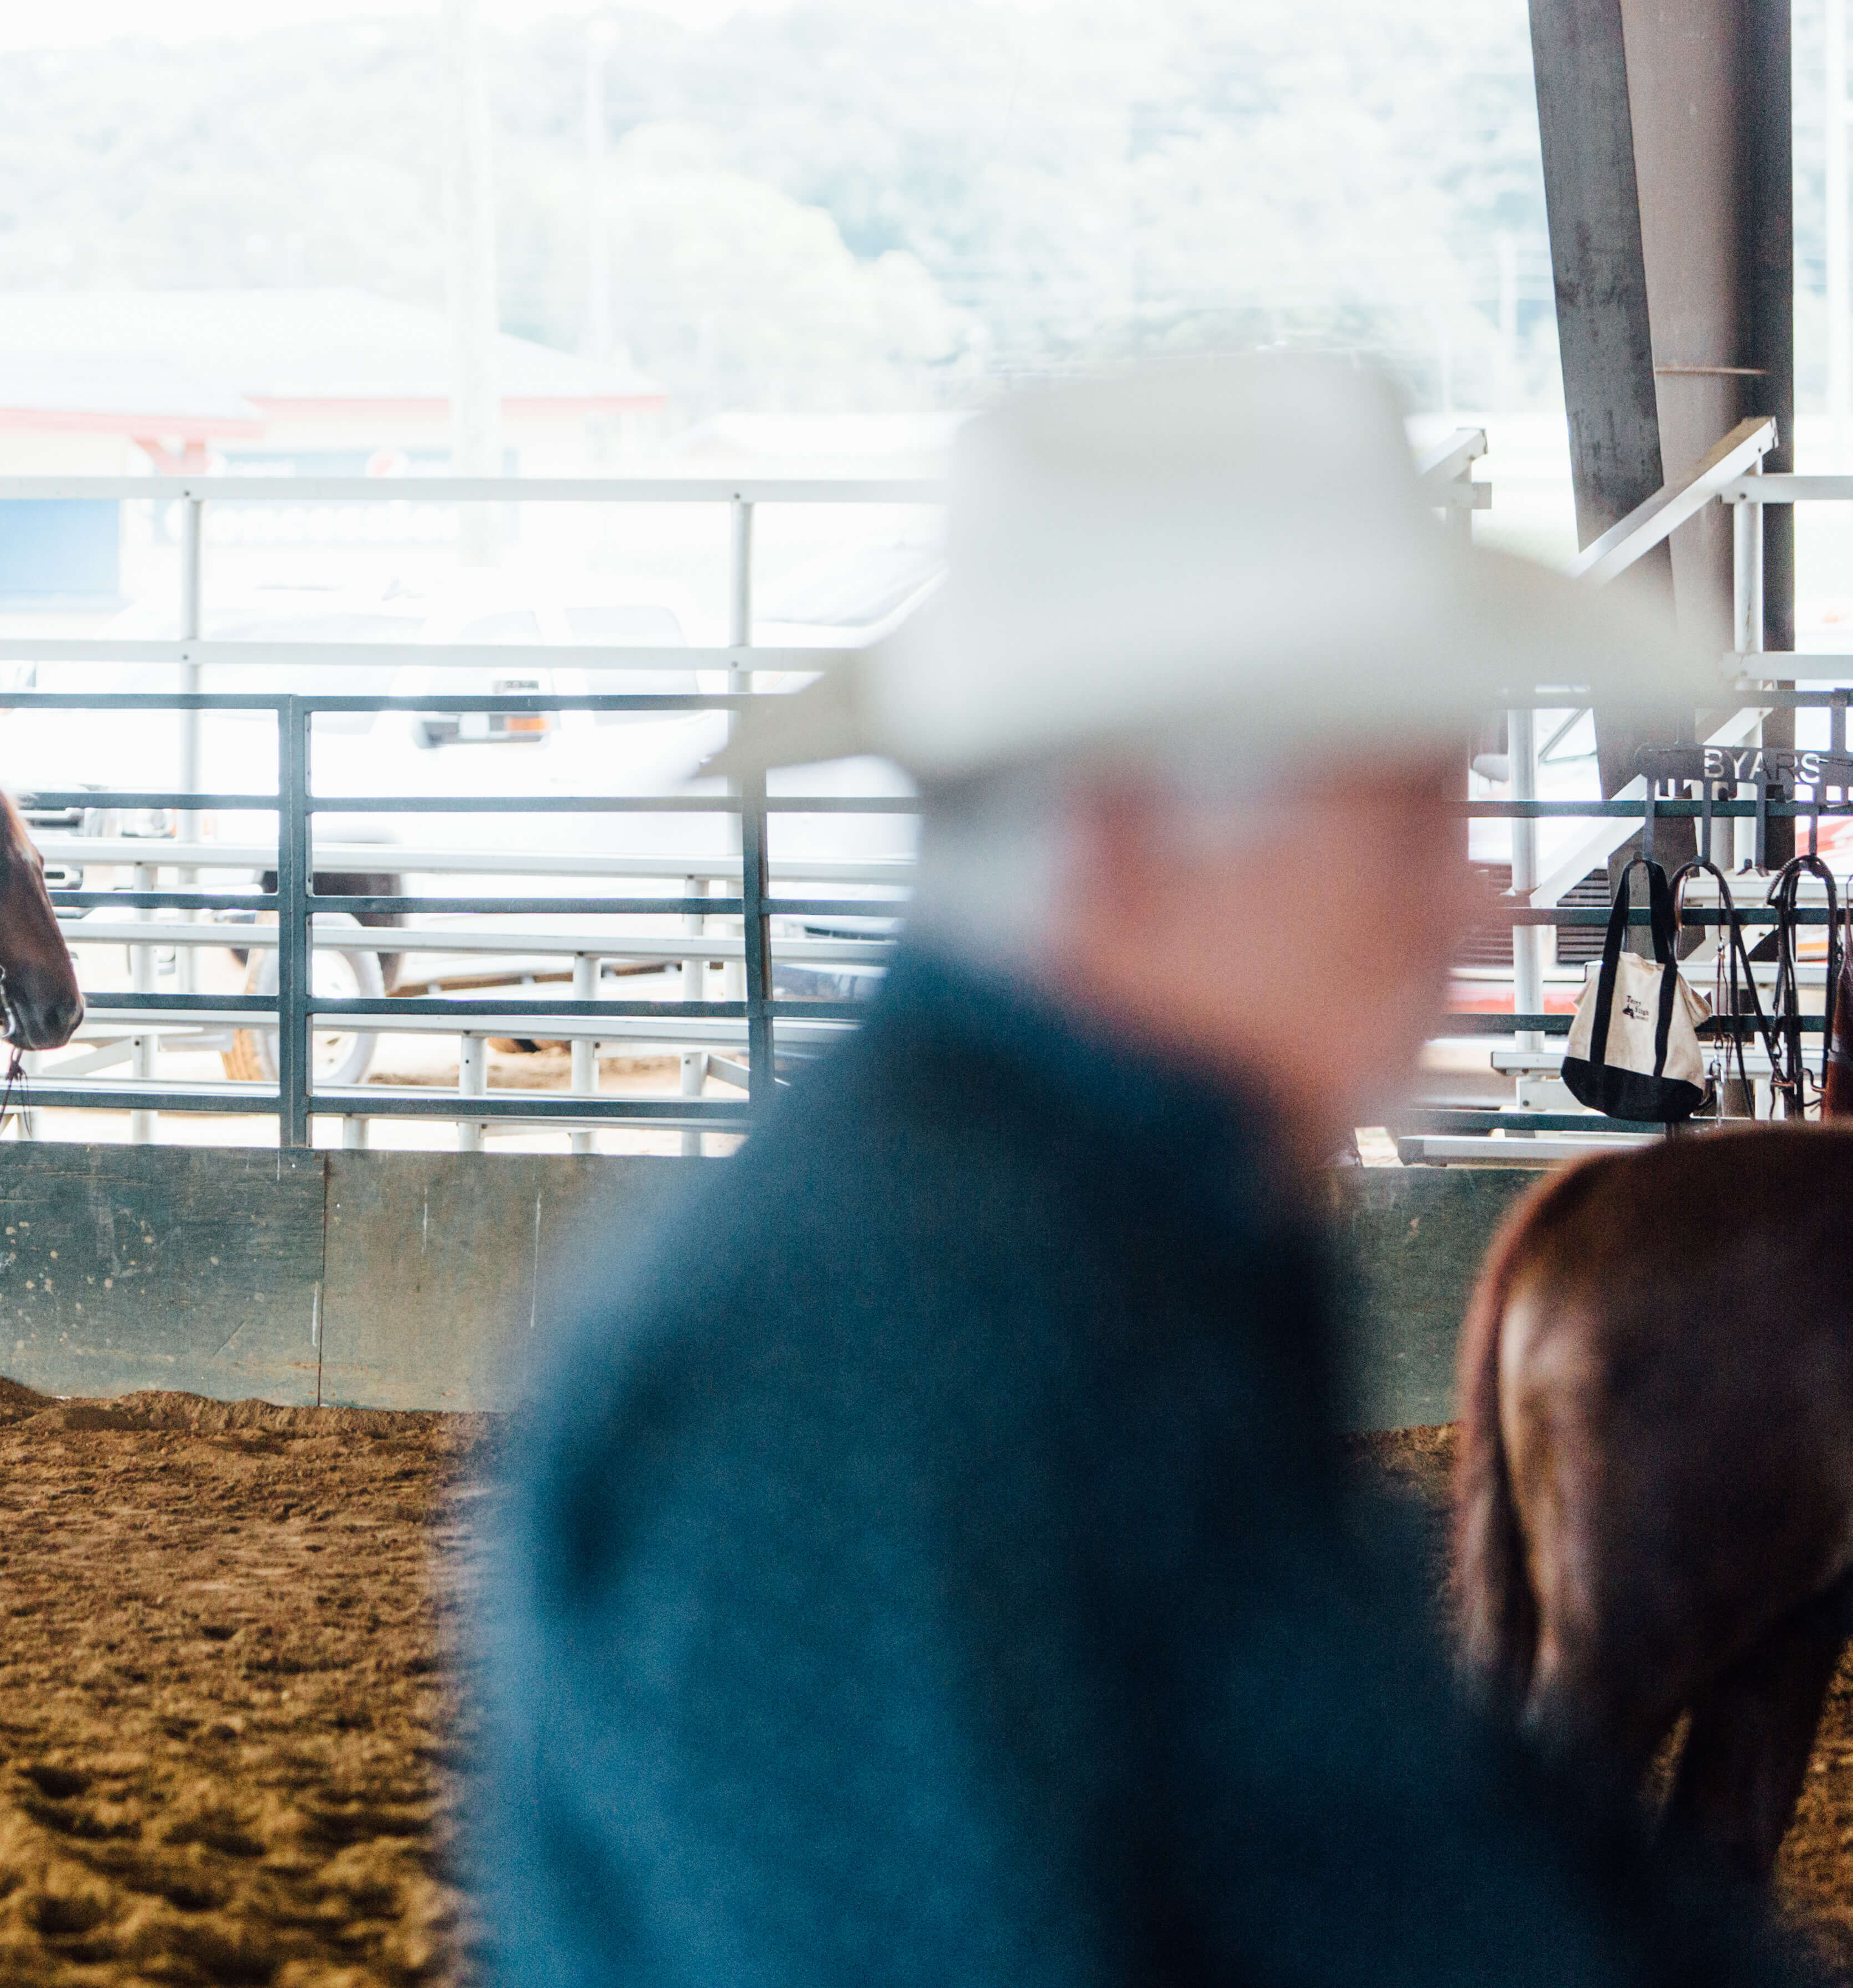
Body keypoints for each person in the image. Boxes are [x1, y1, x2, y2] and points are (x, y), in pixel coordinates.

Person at [465, 359, 1813, 1987]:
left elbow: (1418, 1839)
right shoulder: (877, 1330)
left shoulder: (1085, 1240)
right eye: (1407, 816)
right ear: (1124, 833)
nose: (1479, 902)